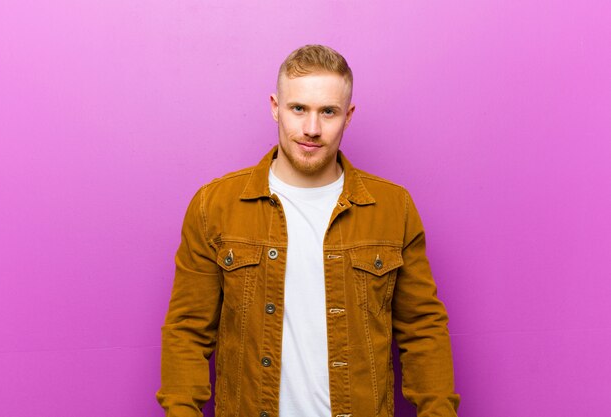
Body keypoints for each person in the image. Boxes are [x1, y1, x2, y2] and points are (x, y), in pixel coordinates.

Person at [157, 44, 460, 417]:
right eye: (298, 108)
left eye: (328, 112)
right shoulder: (215, 205)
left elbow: (422, 329)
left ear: (348, 116)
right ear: (275, 107)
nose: (312, 129)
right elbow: (187, 331)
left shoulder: (393, 208)